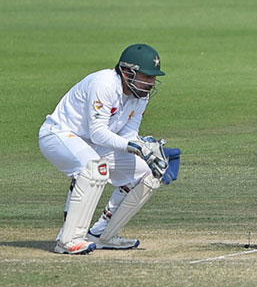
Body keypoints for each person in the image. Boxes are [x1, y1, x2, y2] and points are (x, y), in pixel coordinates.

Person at [39, 44, 180, 255]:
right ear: (126, 72)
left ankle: (103, 234)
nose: (151, 83)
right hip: (59, 135)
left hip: (96, 144)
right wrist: (134, 147)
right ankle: (67, 240)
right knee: (94, 168)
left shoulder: (141, 95)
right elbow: (98, 132)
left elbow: (129, 134)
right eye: (146, 76)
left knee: (148, 173)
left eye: (153, 78)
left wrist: (144, 149)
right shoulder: (103, 83)